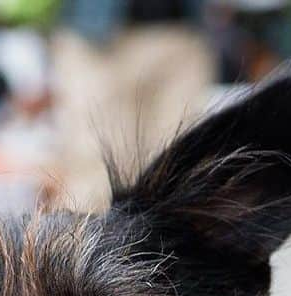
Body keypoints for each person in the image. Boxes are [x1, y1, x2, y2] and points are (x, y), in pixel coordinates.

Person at [49, 0, 215, 209]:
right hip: (98, 38)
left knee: (175, 169)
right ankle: (89, 239)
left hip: (182, 34)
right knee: (96, 172)